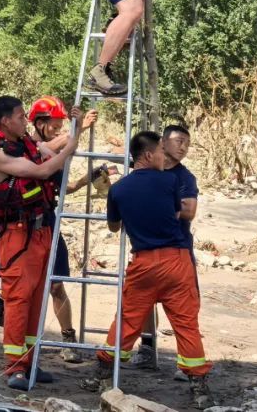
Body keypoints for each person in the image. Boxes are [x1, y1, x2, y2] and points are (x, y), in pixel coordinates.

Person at [0, 97, 108, 363]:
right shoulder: (10, 149)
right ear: (39, 123)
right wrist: (75, 134)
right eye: (53, 124)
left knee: (54, 284)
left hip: (44, 221)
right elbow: (49, 157)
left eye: (59, 125)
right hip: (14, 227)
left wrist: (79, 146)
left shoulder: (29, 144)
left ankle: (67, 338)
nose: (56, 129)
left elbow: (58, 170)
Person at [0, 96, 79, 389]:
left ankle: (30, 361)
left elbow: (47, 151)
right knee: (18, 299)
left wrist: (76, 126)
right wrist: (72, 146)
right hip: (17, 234)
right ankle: (15, 367)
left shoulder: (26, 143)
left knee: (38, 297)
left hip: (40, 229)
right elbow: (42, 171)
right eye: (20, 116)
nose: (24, 120)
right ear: (5, 120)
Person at [96, 131, 211, 407]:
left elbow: (114, 226)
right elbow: (174, 213)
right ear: (148, 155)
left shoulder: (118, 189)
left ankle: (102, 375)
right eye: (161, 150)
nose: (164, 155)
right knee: (186, 324)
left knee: (127, 320)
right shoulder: (171, 181)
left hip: (143, 262)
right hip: (176, 260)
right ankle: (200, 389)